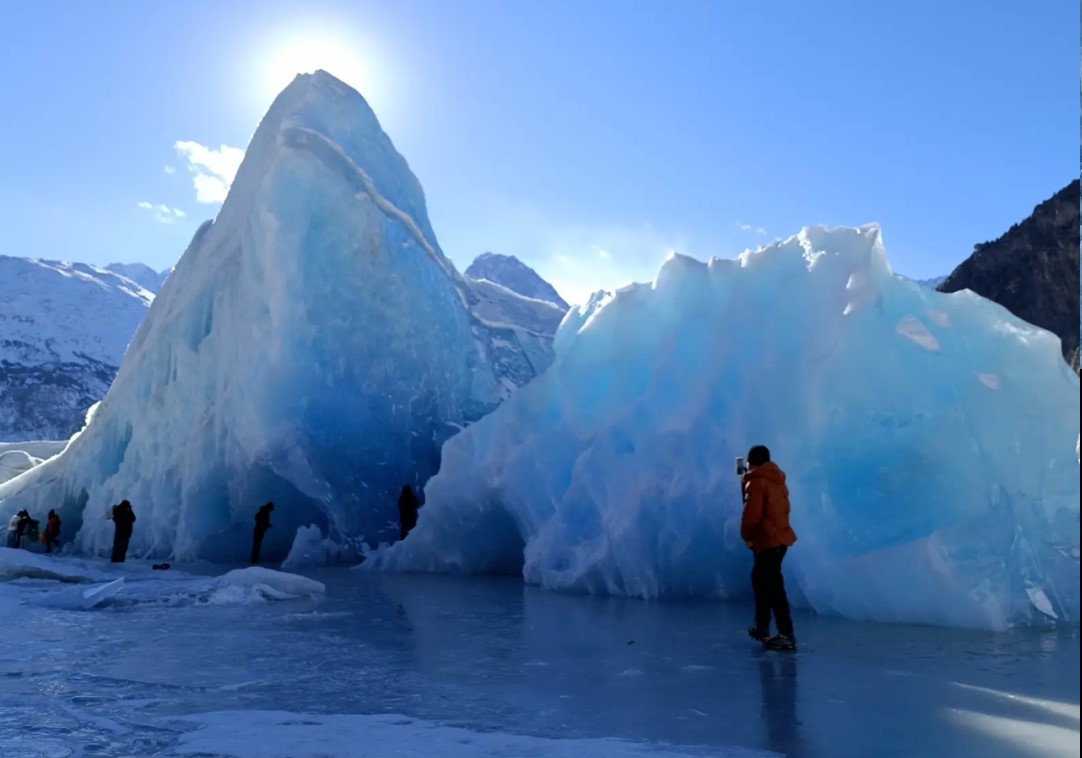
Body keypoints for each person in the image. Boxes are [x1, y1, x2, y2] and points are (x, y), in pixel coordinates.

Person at [740, 445, 798, 649]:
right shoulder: (777, 479)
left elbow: (751, 515)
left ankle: (786, 632)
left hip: (767, 541)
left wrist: (746, 536)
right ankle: (762, 626)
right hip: (780, 539)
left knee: (772, 586)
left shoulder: (756, 482)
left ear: (751, 463)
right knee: (762, 581)